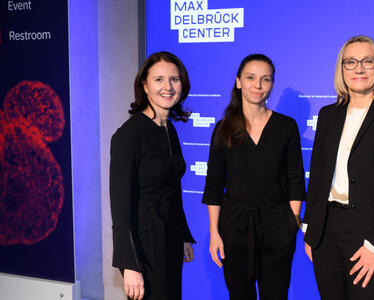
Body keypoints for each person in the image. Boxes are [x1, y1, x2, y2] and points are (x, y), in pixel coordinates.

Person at [303, 35, 374, 300]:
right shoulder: (328, 115)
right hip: (326, 230)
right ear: (341, 69)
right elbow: (318, 175)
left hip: (369, 232)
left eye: (368, 61)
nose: (359, 68)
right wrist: (310, 228)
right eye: (350, 62)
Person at [202, 54, 305, 300]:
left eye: (265, 79)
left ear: (272, 84)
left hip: (277, 226)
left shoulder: (286, 126)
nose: (258, 85)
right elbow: (214, 185)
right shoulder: (223, 128)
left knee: (276, 295)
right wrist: (214, 233)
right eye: (250, 78)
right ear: (238, 82)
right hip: (235, 228)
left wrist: (292, 224)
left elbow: (295, 180)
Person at [109, 51, 195, 300]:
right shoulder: (129, 135)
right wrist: (129, 265)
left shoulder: (169, 129)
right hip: (143, 245)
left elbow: (172, 188)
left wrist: (183, 235)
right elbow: (120, 207)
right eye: (158, 80)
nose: (167, 87)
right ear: (145, 86)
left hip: (169, 237)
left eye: (174, 80)